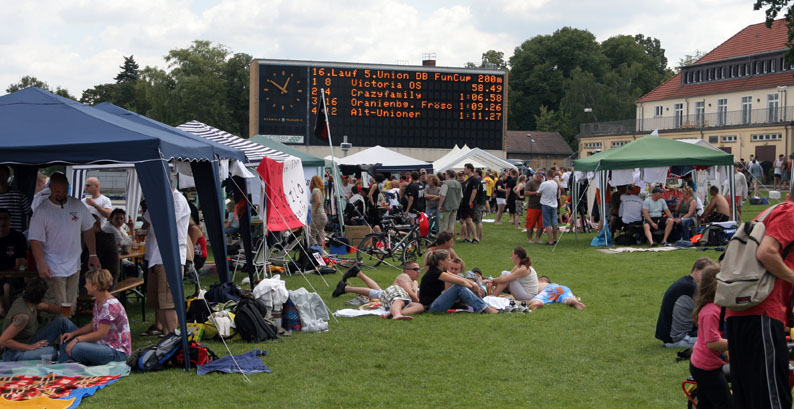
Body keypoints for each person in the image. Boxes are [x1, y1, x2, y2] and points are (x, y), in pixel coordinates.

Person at [725, 189, 794, 409]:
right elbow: (766, 253)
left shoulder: (769, 213)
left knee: (749, 396)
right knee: (773, 398)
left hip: (741, 310)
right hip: (762, 311)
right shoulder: (791, 212)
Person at [28, 172, 101, 317]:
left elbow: (88, 229)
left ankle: (66, 329)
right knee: (57, 307)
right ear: (50, 188)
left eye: (64, 191)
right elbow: (35, 240)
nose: (61, 194)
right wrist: (41, 264)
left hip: (74, 264)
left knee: (71, 306)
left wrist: (93, 254)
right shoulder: (42, 211)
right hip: (52, 266)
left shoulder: (77, 205)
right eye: (57, 191)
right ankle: (56, 329)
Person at [143, 186, 190, 335]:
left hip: (169, 257)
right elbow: (148, 221)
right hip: (155, 257)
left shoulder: (177, 200)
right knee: (160, 301)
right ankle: (166, 333)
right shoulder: (159, 198)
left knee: (168, 302)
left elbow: (166, 222)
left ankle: (173, 335)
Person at [59, 269, 131, 365]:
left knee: (77, 347)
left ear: (95, 286)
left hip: (117, 351)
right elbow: (92, 324)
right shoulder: (98, 301)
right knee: (67, 338)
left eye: (87, 283)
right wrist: (73, 334)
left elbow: (101, 333)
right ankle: (65, 364)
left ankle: (67, 363)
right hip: (102, 344)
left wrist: (77, 339)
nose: (85, 286)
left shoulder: (110, 305)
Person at [689, 265, 733, 409]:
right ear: (715, 285)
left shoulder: (720, 306)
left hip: (708, 365)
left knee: (707, 404)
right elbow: (712, 343)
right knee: (725, 404)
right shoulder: (711, 311)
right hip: (706, 368)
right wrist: (738, 342)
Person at [0, 278, 74, 361]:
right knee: (51, 352)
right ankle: (69, 355)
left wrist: (63, 309)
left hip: (30, 340)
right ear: (41, 297)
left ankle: (79, 343)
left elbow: (48, 307)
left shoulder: (30, 302)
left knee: (62, 321)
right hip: (15, 353)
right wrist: (30, 347)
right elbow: (3, 340)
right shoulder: (23, 317)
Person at [655, 257, 714, 347]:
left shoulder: (685, 283)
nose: (708, 279)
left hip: (671, 336)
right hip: (679, 339)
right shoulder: (689, 288)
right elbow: (705, 316)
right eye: (706, 274)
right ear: (696, 271)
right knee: (719, 339)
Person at [419, 249, 497, 314]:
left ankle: (486, 306)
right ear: (441, 261)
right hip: (432, 308)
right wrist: (473, 286)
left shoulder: (441, 271)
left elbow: (461, 279)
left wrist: (474, 284)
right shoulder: (435, 273)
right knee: (458, 287)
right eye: (448, 259)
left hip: (435, 304)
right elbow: (460, 282)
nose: (450, 261)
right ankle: (486, 309)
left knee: (460, 288)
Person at [332, 264, 423, 320]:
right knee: (396, 298)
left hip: (396, 298)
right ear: (407, 271)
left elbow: (412, 297)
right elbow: (410, 294)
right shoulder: (404, 277)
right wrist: (415, 289)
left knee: (380, 293)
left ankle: (350, 282)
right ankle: (396, 314)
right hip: (398, 297)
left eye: (419, 269)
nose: (418, 271)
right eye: (415, 269)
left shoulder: (414, 282)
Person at [0, 208, 27, 316]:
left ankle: (8, 313)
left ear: (10, 220)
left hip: (13, 276)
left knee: (7, 286)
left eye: (5, 218)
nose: (2, 222)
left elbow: (20, 264)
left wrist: (5, 274)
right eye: (0, 219)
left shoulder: (18, 237)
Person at [0, 165, 31, 233]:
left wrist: (29, 230)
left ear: (8, 176)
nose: (0, 178)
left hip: (15, 236)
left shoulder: (18, 195)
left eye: (2, 175)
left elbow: (30, 213)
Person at [538, 169, 560, 245]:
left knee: (547, 223)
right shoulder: (555, 183)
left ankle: (550, 240)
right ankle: (555, 239)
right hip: (554, 204)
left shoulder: (544, 183)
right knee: (554, 223)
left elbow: (538, 192)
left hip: (546, 204)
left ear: (547, 175)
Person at [438, 169, 462, 234]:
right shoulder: (458, 184)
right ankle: (449, 238)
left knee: (443, 224)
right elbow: (460, 196)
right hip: (454, 207)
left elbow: (443, 195)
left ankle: (443, 238)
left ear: (448, 175)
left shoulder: (446, 183)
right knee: (451, 224)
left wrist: (440, 205)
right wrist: (457, 204)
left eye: (446, 174)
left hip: (445, 207)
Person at [524, 171, 544, 244]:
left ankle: (537, 239)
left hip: (542, 206)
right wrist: (535, 193)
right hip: (532, 206)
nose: (540, 176)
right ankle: (530, 239)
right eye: (539, 174)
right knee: (530, 224)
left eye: (542, 174)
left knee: (541, 224)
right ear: (536, 174)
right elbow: (526, 193)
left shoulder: (543, 183)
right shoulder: (530, 183)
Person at [309, 175, 327, 248]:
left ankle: (314, 250)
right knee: (319, 235)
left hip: (317, 215)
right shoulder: (321, 191)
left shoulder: (315, 190)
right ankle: (320, 251)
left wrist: (314, 211)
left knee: (311, 234)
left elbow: (318, 202)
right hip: (323, 214)